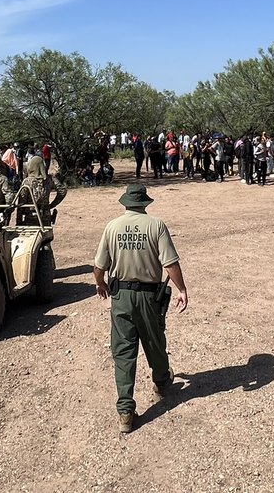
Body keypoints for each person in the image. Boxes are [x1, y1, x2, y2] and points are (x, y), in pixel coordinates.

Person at [93, 184, 188, 434]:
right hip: (148, 296)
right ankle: (161, 383)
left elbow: (99, 265)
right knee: (154, 341)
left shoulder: (112, 227)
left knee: (123, 351)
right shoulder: (156, 225)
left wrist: (100, 283)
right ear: (145, 203)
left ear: (125, 203)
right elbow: (170, 263)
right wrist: (182, 289)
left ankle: (125, 410)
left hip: (120, 296)